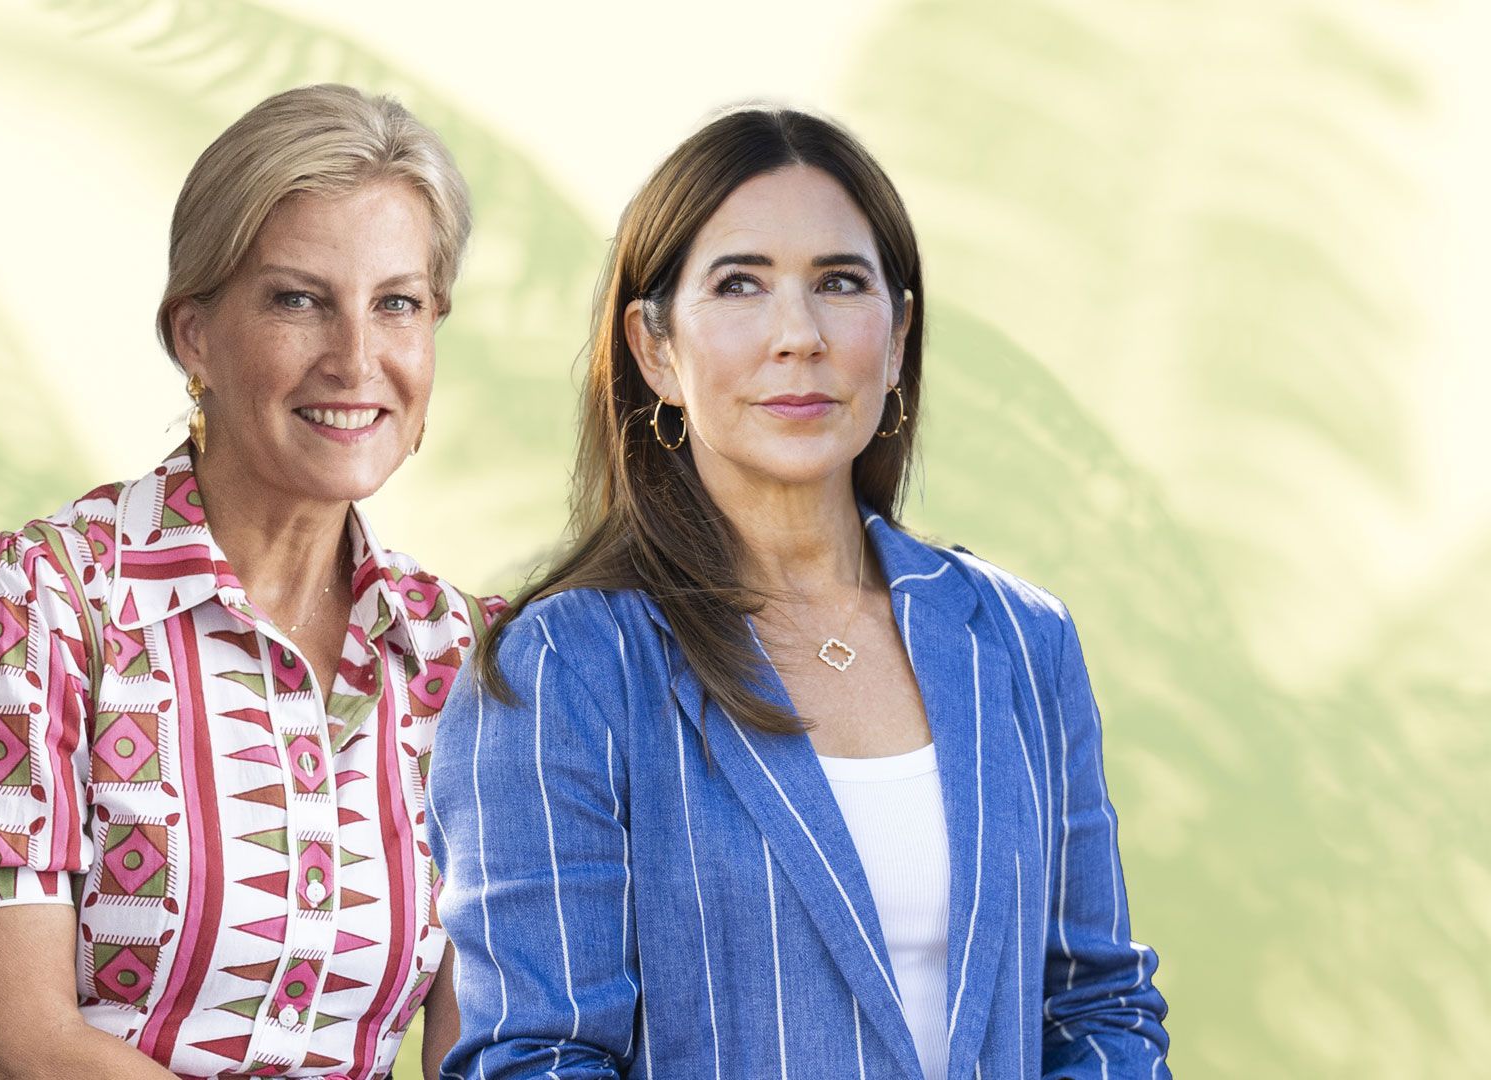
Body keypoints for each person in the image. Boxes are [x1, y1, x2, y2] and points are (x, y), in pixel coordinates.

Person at [424, 107, 1171, 1079]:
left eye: (840, 284)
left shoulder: (1021, 641)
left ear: (897, 337)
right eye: (740, 284)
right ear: (655, 350)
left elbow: (1097, 1004)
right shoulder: (563, 674)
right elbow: (536, 1059)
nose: (799, 335)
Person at [0, 83, 499, 1080]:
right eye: (298, 300)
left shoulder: (468, 661)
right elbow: (10, 1046)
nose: (356, 357)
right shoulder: (35, 607)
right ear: (195, 336)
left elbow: (484, 1050)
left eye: (398, 304)